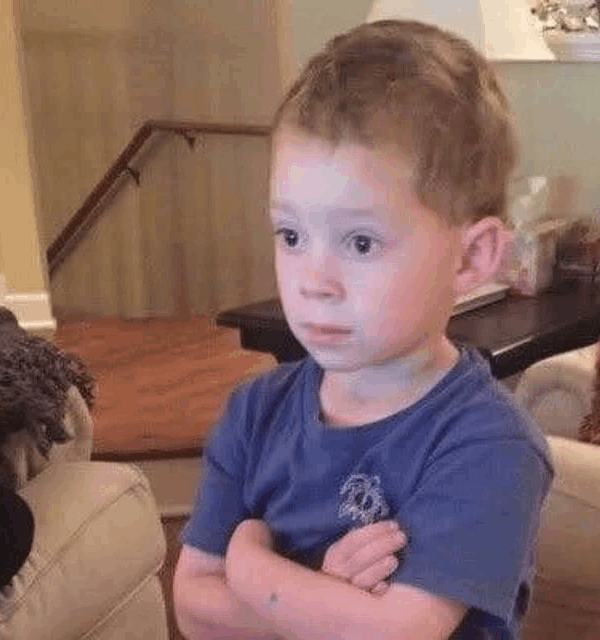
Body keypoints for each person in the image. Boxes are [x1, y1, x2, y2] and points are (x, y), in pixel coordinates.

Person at [173, 19, 554, 640]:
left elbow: (394, 633)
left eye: (360, 241)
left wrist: (250, 564)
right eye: (291, 235)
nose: (314, 280)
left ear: (471, 258)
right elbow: (192, 609)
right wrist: (321, 593)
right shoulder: (254, 412)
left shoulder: (491, 443)